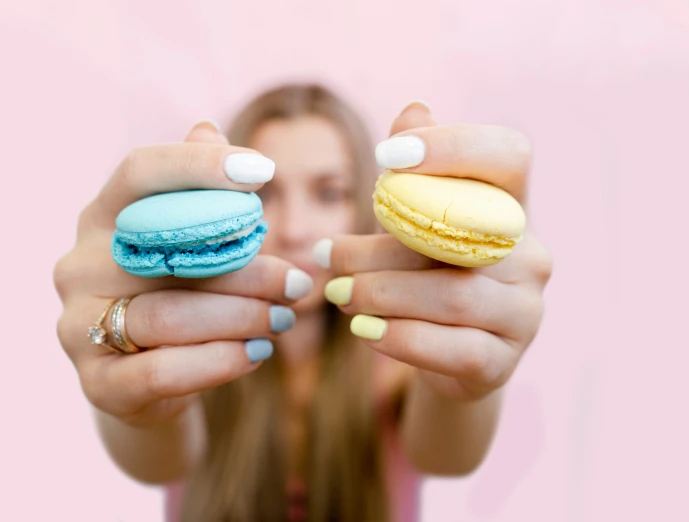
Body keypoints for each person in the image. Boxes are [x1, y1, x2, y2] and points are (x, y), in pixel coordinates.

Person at [53, 83, 553, 522]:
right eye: (266, 194)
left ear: (364, 202)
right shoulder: (186, 354)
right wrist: (136, 397)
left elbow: (450, 457)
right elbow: (155, 461)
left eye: (328, 193)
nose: (294, 230)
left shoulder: (403, 357)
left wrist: (466, 381)